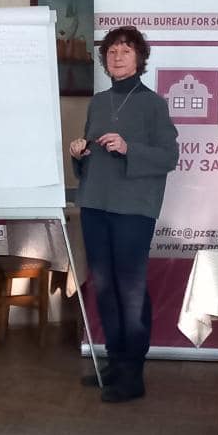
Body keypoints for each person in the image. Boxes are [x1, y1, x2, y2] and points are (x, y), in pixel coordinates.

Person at [69, 26, 178, 403]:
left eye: (126, 51)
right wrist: (79, 153)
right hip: (95, 204)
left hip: (133, 208)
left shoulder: (154, 104)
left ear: (139, 58)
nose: (117, 57)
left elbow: (169, 156)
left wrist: (129, 147)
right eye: (112, 51)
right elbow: (88, 164)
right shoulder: (98, 102)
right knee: (103, 286)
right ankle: (115, 362)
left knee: (130, 288)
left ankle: (133, 373)